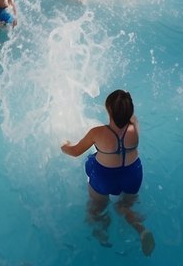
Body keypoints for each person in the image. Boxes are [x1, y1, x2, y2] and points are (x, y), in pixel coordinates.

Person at [61, 89, 154, 256]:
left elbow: (75, 152)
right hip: (133, 174)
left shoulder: (98, 133)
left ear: (109, 110)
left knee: (97, 207)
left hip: (106, 177)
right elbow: (130, 115)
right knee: (124, 206)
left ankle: (102, 232)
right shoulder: (134, 127)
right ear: (129, 110)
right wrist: (126, 100)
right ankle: (141, 230)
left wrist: (64, 145)